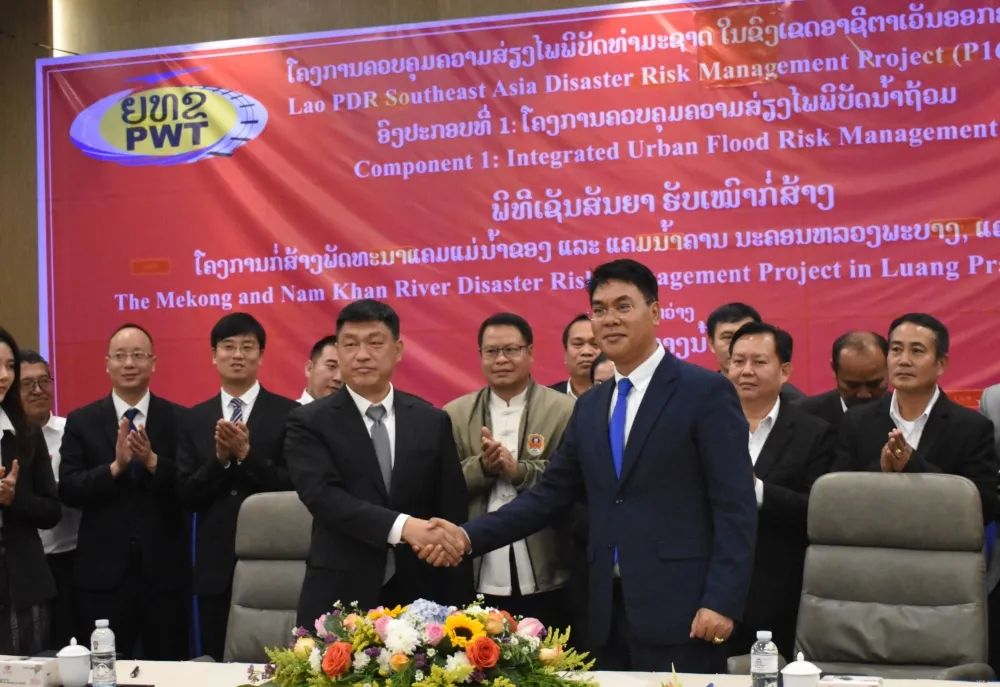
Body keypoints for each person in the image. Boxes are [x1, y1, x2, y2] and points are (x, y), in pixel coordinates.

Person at [421, 260, 757, 673]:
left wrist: (721, 601)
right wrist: (465, 537)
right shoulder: (591, 406)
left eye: (623, 306)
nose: (609, 319)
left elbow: (735, 507)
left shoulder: (704, 392)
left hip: (684, 611)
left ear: (655, 312)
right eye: (599, 309)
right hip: (603, 613)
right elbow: (548, 496)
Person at [284, 299, 471, 625]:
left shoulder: (431, 420)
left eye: (374, 343)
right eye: (350, 344)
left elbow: (451, 506)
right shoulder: (308, 422)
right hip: (341, 593)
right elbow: (324, 497)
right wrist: (405, 527)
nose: (362, 355)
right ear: (338, 351)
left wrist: (443, 551)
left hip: (422, 595)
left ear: (397, 350)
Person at [59, 323, 188, 659]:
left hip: (164, 575)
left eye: (138, 355)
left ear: (153, 363)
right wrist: (114, 468)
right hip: (101, 577)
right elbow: (69, 489)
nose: (129, 363)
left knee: (169, 669)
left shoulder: (179, 419)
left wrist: (152, 462)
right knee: (103, 671)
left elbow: (190, 487)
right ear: (107, 364)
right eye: (120, 356)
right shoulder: (81, 421)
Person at [176, 312, 299, 661]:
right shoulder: (193, 419)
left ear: (261, 355)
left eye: (247, 347)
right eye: (228, 347)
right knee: (214, 659)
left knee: (277, 658)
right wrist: (221, 461)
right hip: (215, 563)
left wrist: (247, 456)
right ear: (214, 356)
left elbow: (294, 486)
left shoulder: (290, 414)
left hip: (276, 559)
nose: (237, 355)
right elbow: (186, 494)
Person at [444, 313, 574, 625]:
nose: (501, 359)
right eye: (492, 351)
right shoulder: (454, 414)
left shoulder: (565, 410)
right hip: (478, 562)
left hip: (548, 562)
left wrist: (519, 471)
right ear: (480, 356)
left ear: (530, 352)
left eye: (511, 350)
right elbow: (442, 484)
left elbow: (572, 480)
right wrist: (483, 467)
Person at [725, 322, 834, 659]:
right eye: (738, 361)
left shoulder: (814, 433)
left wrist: (756, 490)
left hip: (781, 592)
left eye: (759, 362)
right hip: (711, 591)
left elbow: (819, 510)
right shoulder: (703, 425)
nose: (746, 371)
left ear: (784, 371)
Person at [834, 313, 999, 523]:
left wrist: (914, 465)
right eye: (896, 350)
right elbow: (838, 497)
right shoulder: (856, 421)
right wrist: (882, 469)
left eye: (917, 351)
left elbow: (984, 506)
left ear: (941, 363)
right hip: (872, 537)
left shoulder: (971, 428)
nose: (904, 360)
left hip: (940, 539)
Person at [0, 328, 61, 654]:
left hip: (21, 582)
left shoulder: (26, 432)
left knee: (27, 670)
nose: (4, 375)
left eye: (10, 366)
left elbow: (51, 511)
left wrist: (13, 500)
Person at [20, 349, 78, 650]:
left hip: (69, 560)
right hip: (21, 563)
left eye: (44, 381)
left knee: (68, 645)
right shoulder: (6, 438)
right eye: (27, 384)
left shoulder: (72, 431)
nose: (38, 390)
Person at [705, 302, 804, 401]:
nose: (736, 345)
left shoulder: (795, 401)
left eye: (746, 336)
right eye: (728, 337)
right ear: (711, 344)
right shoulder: (701, 396)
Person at [798, 331, 888, 431]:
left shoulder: (901, 413)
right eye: (853, 385)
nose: (864, 394)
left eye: (874, 384)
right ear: (834, 369)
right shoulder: (803, 417)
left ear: (890, 368)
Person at [549, 314, 600, 399]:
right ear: (565, 354)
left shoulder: (619, 395)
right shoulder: (546, 399)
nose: (586, 352)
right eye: (578, 344)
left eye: (595, 344)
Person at [299, 335, 341, 404]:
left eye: (345, 370)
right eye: (332, 366)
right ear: (309, 368)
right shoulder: (287, 410)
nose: (339, 378)